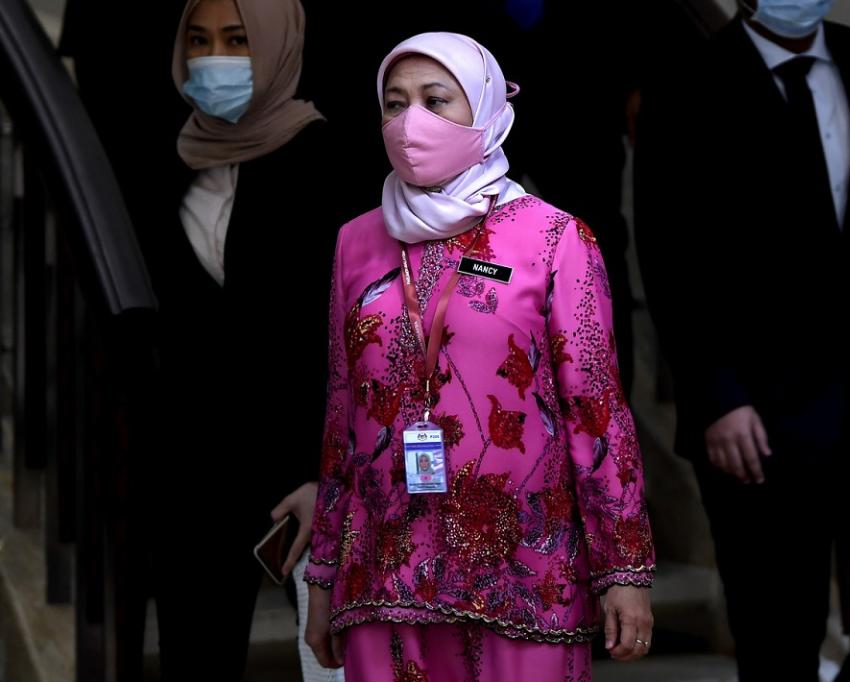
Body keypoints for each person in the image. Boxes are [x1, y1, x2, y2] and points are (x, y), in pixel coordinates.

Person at [304, 32, 655, 680]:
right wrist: (323, 573)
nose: (412, 122)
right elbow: (341, 415)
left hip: (525, 576)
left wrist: (623, 568)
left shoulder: (555, 237)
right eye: (395, 102)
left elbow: (597, 413)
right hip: (383, 574)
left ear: (488, 108)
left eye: (437, 101)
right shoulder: (356, 241)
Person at [636, 1, 850, 680]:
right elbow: (672, 255)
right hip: (760, 411)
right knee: (778, 629)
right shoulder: (688, 79)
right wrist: (716, 395)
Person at [153, 0, 353, 678]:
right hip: (195, 458)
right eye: (200, 40)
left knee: (331, 657)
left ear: (276, 42)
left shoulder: (326, 162)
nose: (215, 60)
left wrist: (324, 465)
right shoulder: (168, 161)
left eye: (237, 40)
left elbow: (346, 329)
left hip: (301, 462)